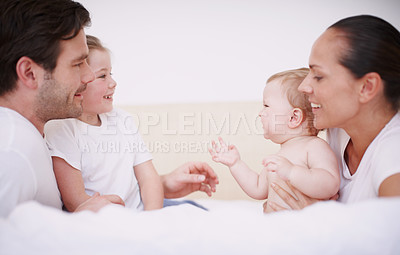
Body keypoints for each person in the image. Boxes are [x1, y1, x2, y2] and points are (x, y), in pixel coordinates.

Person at [0, 0, 218, 218]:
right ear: (29, 73)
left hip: (142, 210)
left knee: (199, 213)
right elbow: (76, 203)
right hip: (116, 220)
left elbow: (143, 177)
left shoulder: (119, 120)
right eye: (77, 64)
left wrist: (160, 194)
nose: (87, 77)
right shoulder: (15, 150)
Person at [266, 15, 400, 212]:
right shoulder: (338, 129)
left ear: (366, 87)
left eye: (318, 76)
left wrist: (319, 218)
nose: (304, 86)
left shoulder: (393, 152)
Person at [44, 35, 164, 212]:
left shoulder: (123, 120)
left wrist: (152, 217)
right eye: (102, 76)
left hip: (140, 217)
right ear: (79, 81)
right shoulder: (62, 129)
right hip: (103, 222)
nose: (113, 83)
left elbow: (149, 178)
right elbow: (75, 202)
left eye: (111, 74)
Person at [209, 68, 340, 212]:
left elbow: (330, 184)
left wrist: (292, 172)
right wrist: (235, 164)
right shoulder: (281, 156)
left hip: (302, 229)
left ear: (293, 118)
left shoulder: (314, 146)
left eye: (266, 106)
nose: (260, 113)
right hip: (275, 228)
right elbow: (258, 188)